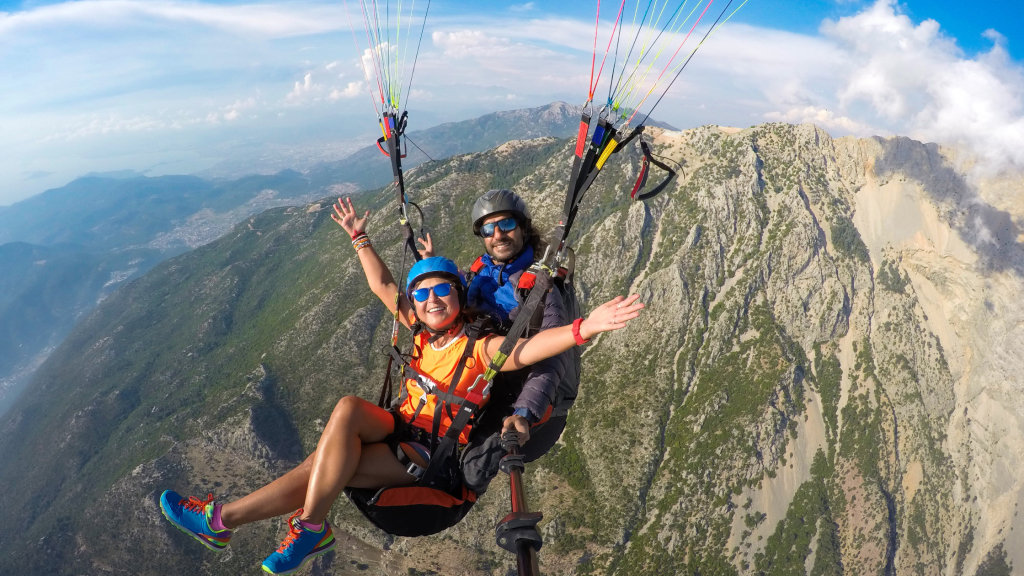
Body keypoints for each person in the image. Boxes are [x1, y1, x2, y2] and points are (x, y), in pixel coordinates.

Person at [157, 197, 644, 575]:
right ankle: (251, 524)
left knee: (324, 468)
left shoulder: (479, 345)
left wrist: (586, 327)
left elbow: (529, 351)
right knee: (344, 413)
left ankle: (242, 522)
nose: (432, 299)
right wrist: (359, 239)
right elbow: (384, 287)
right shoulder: (420, 329)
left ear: (459, 296)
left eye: (442, 291)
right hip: (399, 424)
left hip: (425, 454)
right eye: (424, 293)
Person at [418, 189, 576, 493]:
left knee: (473, 472)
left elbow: (552, 357)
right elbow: (449, 301)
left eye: (506, 224)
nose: (498, 234)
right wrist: (432, 268)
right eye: (489, 229)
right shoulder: (479, 274)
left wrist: (523, 413)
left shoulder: (541, 288)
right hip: (482, 375)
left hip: (519, 389)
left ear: (523, 228)